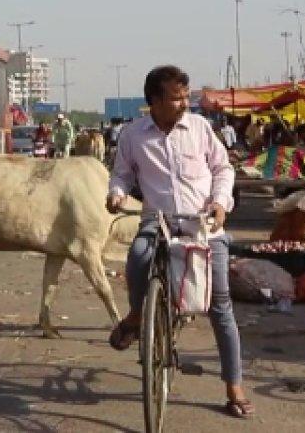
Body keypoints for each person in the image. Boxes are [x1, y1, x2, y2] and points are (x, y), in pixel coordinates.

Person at [106, 65, 253, 419]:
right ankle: (140, 314)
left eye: (187, 96)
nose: (184, 103)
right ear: (154, 101)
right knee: (138, 256)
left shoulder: (201, 129)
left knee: (220, 304)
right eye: (176, 98)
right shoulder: (133, 135)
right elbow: (122, 173)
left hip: (203, 226)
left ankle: (234, 385)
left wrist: (220, 203)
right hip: (157, 223)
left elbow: (223, 169)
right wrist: (117, 193)